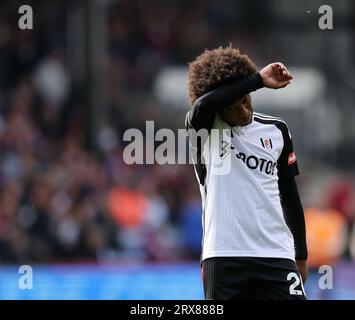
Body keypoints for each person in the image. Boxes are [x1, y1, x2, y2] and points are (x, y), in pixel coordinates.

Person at [185, 45, 308, 300]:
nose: (244, 111)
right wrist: (257, 80)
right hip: (223, 256)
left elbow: (289, 196)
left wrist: (301, 254)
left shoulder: (277, 130)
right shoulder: (204, 130)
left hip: (276, 253)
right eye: (232, 106)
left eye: (246, 100)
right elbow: (202, 105)